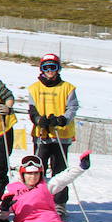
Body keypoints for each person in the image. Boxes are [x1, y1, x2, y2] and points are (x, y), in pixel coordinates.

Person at [0, 153, 112, 222]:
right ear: (22, 174)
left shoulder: (47, 186)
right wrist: (3, 207)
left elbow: (63, 178)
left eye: (36, 173)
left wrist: (81, 167)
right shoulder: (12, 189)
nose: (33, 177)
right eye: (29, 174)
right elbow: (1, 214)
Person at [27, 54, 79, 206]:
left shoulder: (67, 88)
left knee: (60, 170)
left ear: (58, 69)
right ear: (41, 69)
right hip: (42, 134)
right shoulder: (35, 88)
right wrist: (38, 120)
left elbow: (73, 107)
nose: (50, 71)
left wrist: (62, 119)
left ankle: (59, 203)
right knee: (36, 169)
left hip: (61, 135)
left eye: (53, 67)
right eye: (46, 67)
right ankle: (35, 200)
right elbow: (32, 109)